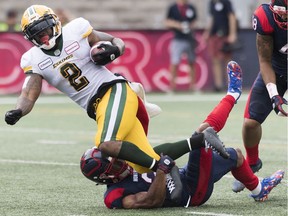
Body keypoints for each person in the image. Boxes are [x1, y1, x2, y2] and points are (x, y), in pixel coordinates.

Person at [3, 5, 224, 189]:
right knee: (142, 163)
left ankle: (164, 166)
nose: (42, 36)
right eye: (36, 33)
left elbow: (116, 41)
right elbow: (28, 93)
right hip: (98, 109)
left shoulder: (77, 29)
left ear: (54, 23)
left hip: (113, 90)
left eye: (44, 29)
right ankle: (201, 140)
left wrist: (114, 49)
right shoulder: (32, 58)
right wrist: (19, 110)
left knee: (106, 144)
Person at [80, 61, 284, 208]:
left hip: (186, 175)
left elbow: (155, 153)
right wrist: (161, 170)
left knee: (235, 155)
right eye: (115, 163)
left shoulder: (128, 162)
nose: (120, 161)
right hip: (190, 193)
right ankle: (232, 94)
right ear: (106, 176)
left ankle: (259, 190)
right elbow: (151, 201)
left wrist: (162, 162)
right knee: (202, 134)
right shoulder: (113, 196)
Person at [232, 0, 288, 193]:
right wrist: (274, 95)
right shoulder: (265, 16)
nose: (282, 17)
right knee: (250, 123)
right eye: (279, 13)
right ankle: (253, 163)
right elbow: (264, 60)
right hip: (278, 71)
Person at [202, 0, 238, 92]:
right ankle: (218, 86)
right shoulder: (211, 3)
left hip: (225, 34)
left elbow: (232, 17)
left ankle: (230, 85)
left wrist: (232, 33)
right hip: (214, 35)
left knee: (227, 60)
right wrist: (207, 32)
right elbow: (211, 18)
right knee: (215, 59)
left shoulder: (226, 2)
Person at [165, 0, 197, 92]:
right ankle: (172, 86)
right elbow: (167, 22)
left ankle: (192, 86)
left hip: (189, 38)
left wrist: (189, 26)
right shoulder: (173, 8)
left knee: (191, 62)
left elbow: (194, 21)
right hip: (178, 38)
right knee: (175, 62)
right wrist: (178, 25)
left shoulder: (191, 8)